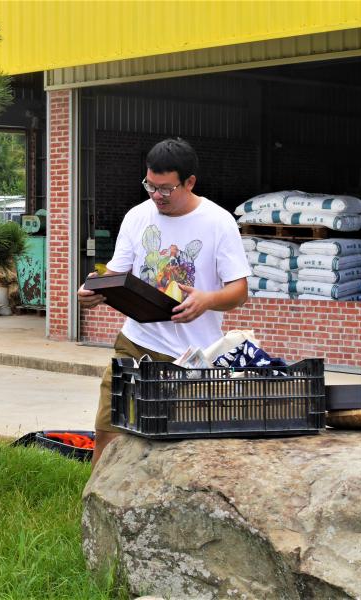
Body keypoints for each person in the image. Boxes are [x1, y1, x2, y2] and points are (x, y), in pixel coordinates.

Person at [78, 137, 250, 465]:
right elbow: (116, 271)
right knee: (108, 431)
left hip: (192, 356)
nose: (157, 196)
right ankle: (93, 507)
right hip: (135, 343)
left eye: (166, 188)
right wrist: (93, 288)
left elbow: (239, 292)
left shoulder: (218, 222)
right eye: (150, 186)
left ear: (190, 182)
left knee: (183, 449)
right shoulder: (137, 217)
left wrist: (207, 300)